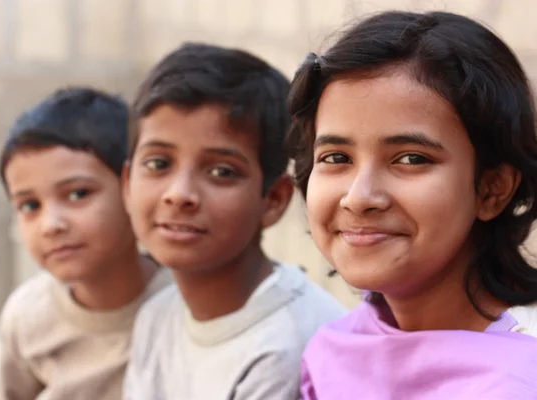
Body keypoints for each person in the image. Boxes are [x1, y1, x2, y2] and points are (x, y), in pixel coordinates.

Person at [286, 11, 537, 399]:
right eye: (336, 158)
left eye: (411, 159)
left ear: (492, 190)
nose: (359, 197)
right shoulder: (333, 350)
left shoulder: (517, 379)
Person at [122, 43, 347, 400]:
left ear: (273, 199)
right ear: (126, 183)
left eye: (221, 171)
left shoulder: (287, 347)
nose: (179, 194)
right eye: (159, 164)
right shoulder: (157, 315)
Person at [0, 87, 172, 400]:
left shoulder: (185, 306)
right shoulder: (28, 315)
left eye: (78, 194)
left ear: (132, 189)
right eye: (29, 205)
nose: (51, 225)